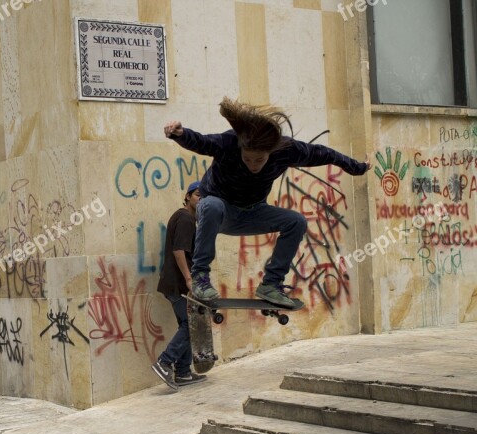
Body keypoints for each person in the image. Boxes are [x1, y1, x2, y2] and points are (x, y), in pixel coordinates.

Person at [164, 97, 371, 309]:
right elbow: (201, 142)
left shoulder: (286, 151)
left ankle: (271, 284)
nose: (253, 165)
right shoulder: (228, 143)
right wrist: (179, 134)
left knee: (296, 221)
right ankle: (200, 277)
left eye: (259, 160)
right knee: (210, 204)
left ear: (270, 153)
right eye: (248, 159)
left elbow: (324, 153)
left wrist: (358, 167)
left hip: (254, 213)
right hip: (220, 212)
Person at [151, 181, 207, 390]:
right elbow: (179, 251)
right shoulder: (185, 218)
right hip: (178, 285)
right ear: (188, 196)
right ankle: (165, 362)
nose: (201, 200)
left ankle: (182, 372)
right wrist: (189, 280)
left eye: (205, 197)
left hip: (174, 283)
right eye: (198, 195)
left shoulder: (183, 217)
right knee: (191, 326)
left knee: (189, 324)